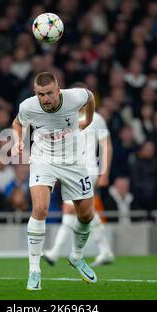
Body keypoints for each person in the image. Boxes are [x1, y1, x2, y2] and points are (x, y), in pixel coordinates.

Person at [12, 72, 97, 290]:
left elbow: (90, 97)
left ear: (58, 90)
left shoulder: (74, 97)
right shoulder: (28, 106)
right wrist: (17, 142)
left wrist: (88, 119)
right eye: (41, 94)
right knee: (40, 208)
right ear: (35, 93)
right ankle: (34, 270)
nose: (45, 98)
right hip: (43, 159)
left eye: (49, 93)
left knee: (86, 215)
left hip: (73, 161)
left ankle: (76, 257)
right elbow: (17, 123)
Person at [43, 82, 115, 267]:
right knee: (83, 211)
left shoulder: (96, 118)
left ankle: (55, 251)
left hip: (89, 170)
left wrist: (104, 172)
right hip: (72, 171)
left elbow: (106, 145)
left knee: (70, 210)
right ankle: (105, 251)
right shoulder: (66, 119)